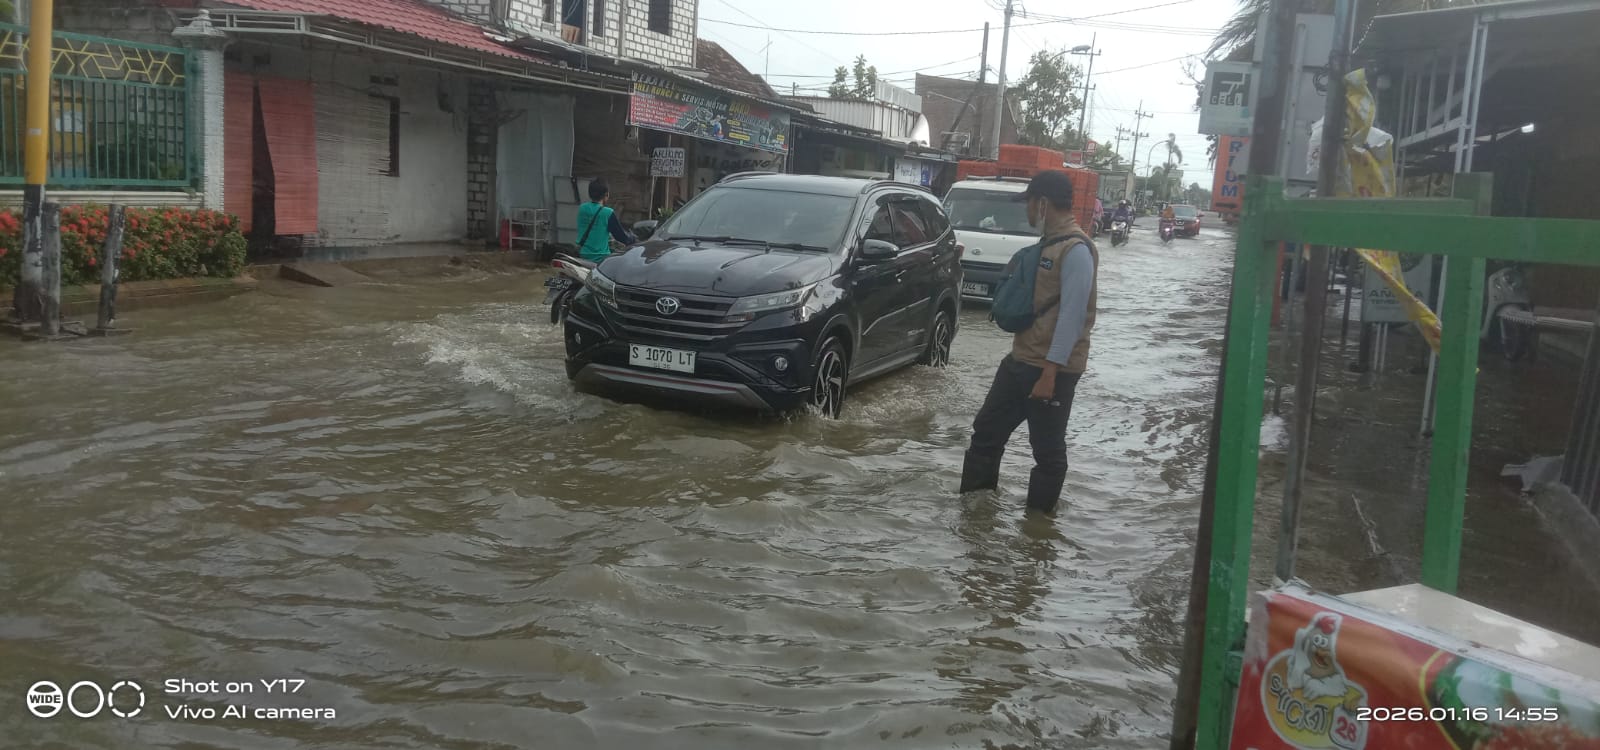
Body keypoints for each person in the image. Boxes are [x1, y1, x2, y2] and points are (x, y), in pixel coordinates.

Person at [960, 170, 1099, 516]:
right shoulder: (1046, 244)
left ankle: (1037, 531)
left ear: (1043, 203)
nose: (1027, 211)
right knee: (985, 434)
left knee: (1047, 453)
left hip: (1053, 370)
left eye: (1029, 203)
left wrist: (1051, 372)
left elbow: (1072, 315)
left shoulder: (1077, 250)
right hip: (1020, 361)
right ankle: (974, 515)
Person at [575, 178, 635, 262]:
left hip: (582, 253)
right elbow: (621, 236)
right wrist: (632, 238)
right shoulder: (607, 212)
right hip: (600, 257)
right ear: (606, 195)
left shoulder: (582, 208)